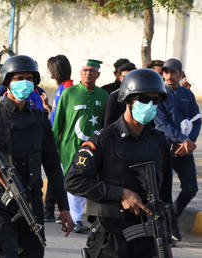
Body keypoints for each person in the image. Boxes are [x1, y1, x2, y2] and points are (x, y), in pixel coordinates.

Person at [0, 55, 73, 257]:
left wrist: (64, 207)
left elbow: (52, 165)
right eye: (18, 78)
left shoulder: (39, 119)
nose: (24, 83)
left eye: (29, 78)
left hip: (31, 201)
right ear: (7, 82)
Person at [65, 68, 172, 257]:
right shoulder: (103, 139)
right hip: (111, 237)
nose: (150, 105)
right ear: (128, 101)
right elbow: (74, 181)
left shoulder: (159, 141)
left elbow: (165, 193)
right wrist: (121, 194)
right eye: (144, 100)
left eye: (154, 100)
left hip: (147, 237)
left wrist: (166, 232)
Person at [52, 59, 108, 233]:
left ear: (98, 74)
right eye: (84, 70)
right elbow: (58, 122)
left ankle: (86, 217)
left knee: (88, 180)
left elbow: (106, 124)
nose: (88, 73)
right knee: (71, 179)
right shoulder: (69, 94)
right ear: (79, 73)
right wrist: (53, 147)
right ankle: (75, 218)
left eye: (92, 71)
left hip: (93, 148)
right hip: (69, 146)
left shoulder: (104, 96)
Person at [154, 58, 200, 241]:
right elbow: (162, 124)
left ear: (181, 74)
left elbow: (197, 119)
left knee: (190, 188)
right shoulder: (158, 95)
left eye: (173, 72)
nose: (169, 76)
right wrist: (184, 140)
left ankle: (172, 217)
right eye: (166, 72)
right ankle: (167, 230)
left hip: (184, 150)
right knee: (163, 191)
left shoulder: (187, 95)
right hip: (165, 148)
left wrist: (190, 142)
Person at [45, 54, 73, 223]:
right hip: (55, 137)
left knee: (56, 175)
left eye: (51, 71)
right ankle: (48, 210)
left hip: (61, 141)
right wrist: (48, 107)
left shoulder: (68, 89)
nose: (50, 75)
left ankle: (50, 210)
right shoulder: (61, 88)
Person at [103, 62, 137, 127]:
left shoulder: (141, 95)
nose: (127, 80)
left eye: (130, 76)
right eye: (124, 77)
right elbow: (108, 123)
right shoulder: (114, 97)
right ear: (120, 78)